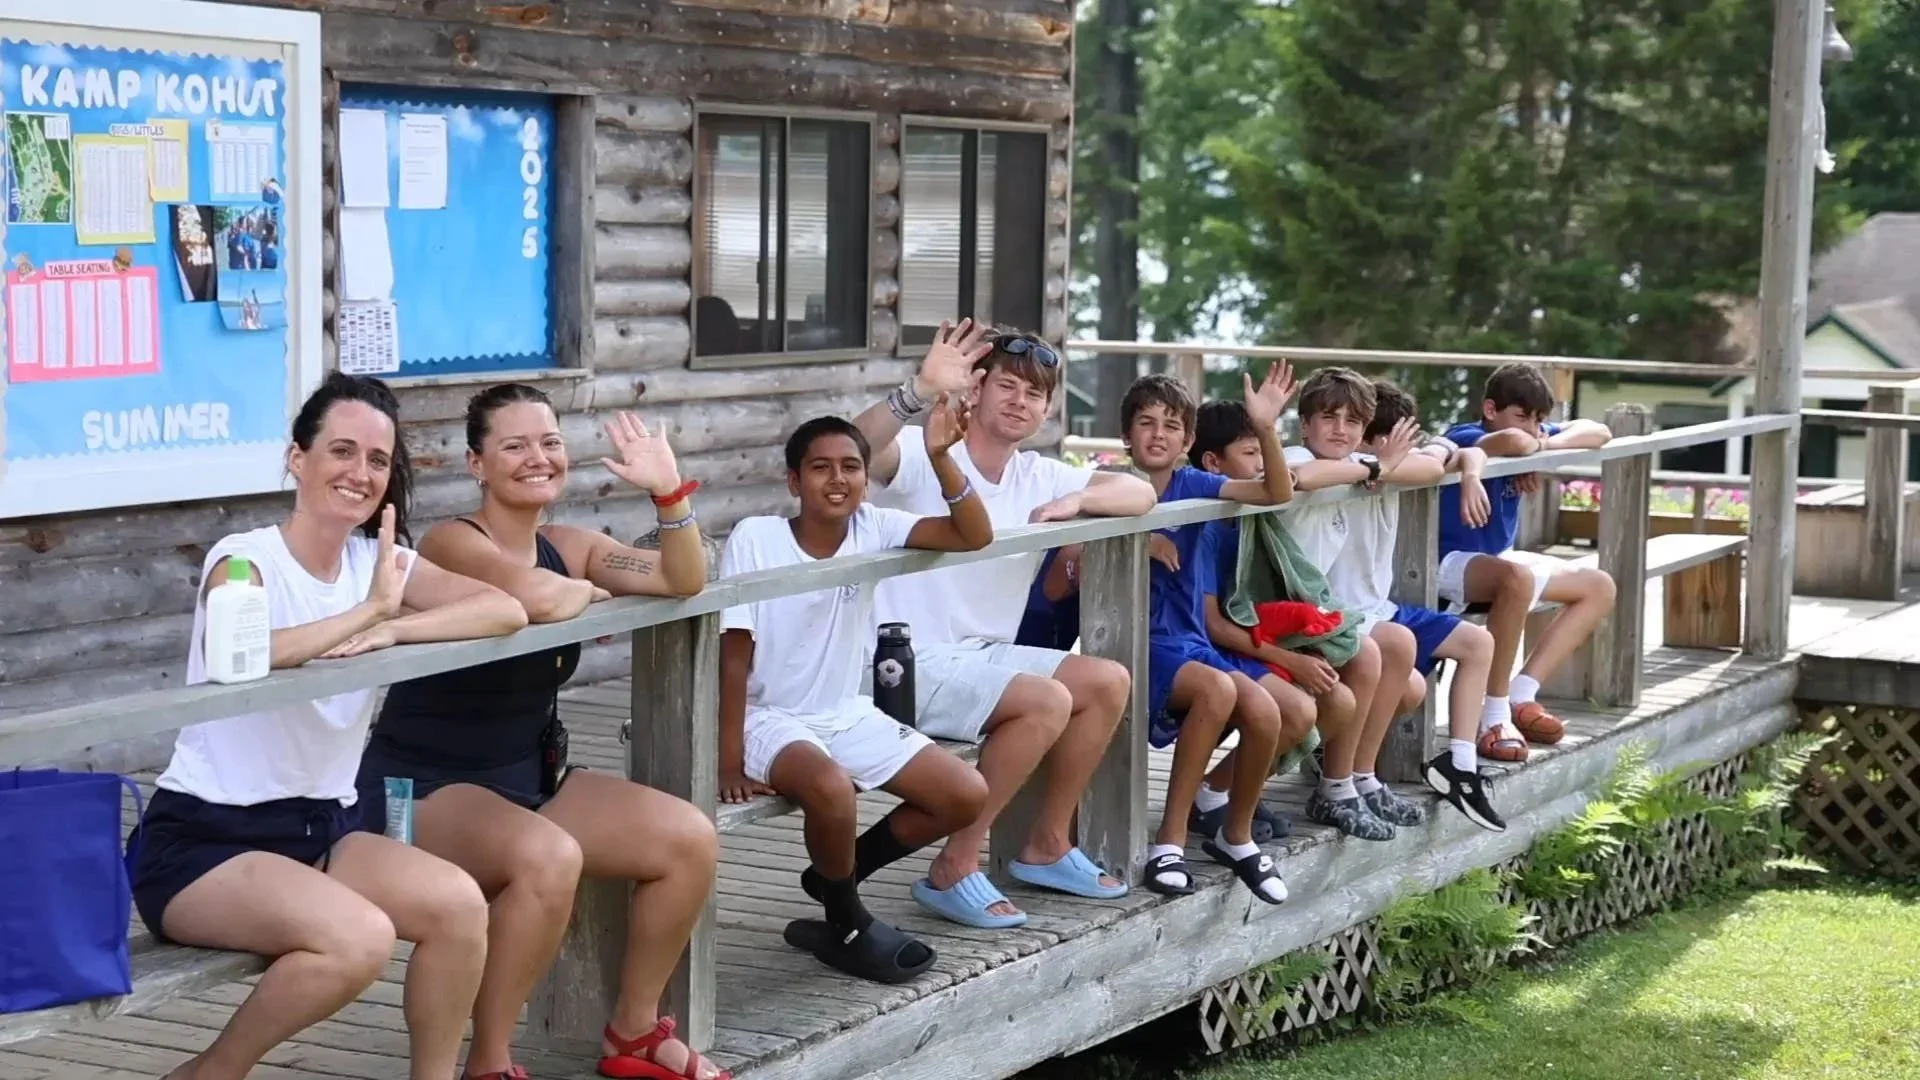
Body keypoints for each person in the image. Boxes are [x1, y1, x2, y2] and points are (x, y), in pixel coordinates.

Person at [128, 372, 530, 1080]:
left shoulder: (380, 564)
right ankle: (208, 1073)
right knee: (360, 939)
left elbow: (504, 609)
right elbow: (243, 655)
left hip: (320, 830)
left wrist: (394, 633)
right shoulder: (244, 559)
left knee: (459, 906)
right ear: (297, 459)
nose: (361, 472)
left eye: (378, 460)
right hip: (205, 842)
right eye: (342, 451)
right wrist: (371, 613)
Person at [355, 384, 727, 1080]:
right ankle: (490, 1061)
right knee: (547, 856)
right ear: (477, 463)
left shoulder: (569, 543)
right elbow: (537, 600)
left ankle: (634, 1033)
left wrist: (669, 493)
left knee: (687, 839)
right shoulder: (452, 542)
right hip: (420, 791)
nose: (538, 458)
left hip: (526, 781)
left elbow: (683, 577)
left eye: (550, 442)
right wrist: (586, 591)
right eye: (515, 445)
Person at [851, 320, 1157, 928]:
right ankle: (957, 864)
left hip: (980, 653)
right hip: (897, 664)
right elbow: (852, 446)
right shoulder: (921, 453)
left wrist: (1079, 501)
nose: (1021, 402)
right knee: (1044, 701)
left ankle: (1045, 844)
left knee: (1107, 681)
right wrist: (915, 390)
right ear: (976, 389)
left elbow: (1140, 492)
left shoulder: (1039, 475)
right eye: (1008, 386)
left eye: (1035, 394)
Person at [718, 406, 994, 980]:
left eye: (850, 467)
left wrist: (941, 457)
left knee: (965, 794)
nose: (837, 479)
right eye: (820, 468)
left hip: (844, 711)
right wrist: (727, 758)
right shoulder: (756, 537)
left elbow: (974, 534)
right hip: (769, 716)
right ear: (795, 481)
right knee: (831, 790)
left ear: (867, 480)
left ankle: (835, 876)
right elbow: (734, 653)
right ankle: (845, 922)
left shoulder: (876, 527)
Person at [1277, 374, 1509, 831]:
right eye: (1330, 418)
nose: (1341, 429)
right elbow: (1300, 476)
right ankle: (1338, 782)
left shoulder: (1372, 464)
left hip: (1361, 612)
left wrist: (1466, 470)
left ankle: (1370, 775)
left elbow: (1441, 459)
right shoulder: (1325, 460)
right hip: (1310, 615)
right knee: (1394, 668)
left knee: (1416, 665)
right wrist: (1375, 466)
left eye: (1353, 421)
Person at [1119, 371, 1297, 904]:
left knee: (1268, 711)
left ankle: (1233, 833)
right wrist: (1140, 537)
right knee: (1219, 691)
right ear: (1125, 434)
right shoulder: (1109, 485)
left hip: (1188, 640)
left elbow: (1275, 492)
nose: (1158, 434)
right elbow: (1072, 552)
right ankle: (1169, 841)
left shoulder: (1194, 484)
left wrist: (1265, 428)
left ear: (1188, 442)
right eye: (1145, 423)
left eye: (1172, 426)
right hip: (1135, 643)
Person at [1436, 362, 1616, 764]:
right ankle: (1493, 714)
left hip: (1495, 559)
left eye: (1540, 420)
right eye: (1522, 415)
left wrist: (1541, 445)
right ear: (1489, 409)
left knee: (1598, 585)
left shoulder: (1531, 435)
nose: (1533, 427)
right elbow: (1513, 442)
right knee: (1515, 577)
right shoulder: (1468, 436)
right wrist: (1532, 446)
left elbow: (1599, 431)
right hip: (1443, 563)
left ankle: (1522, 694)